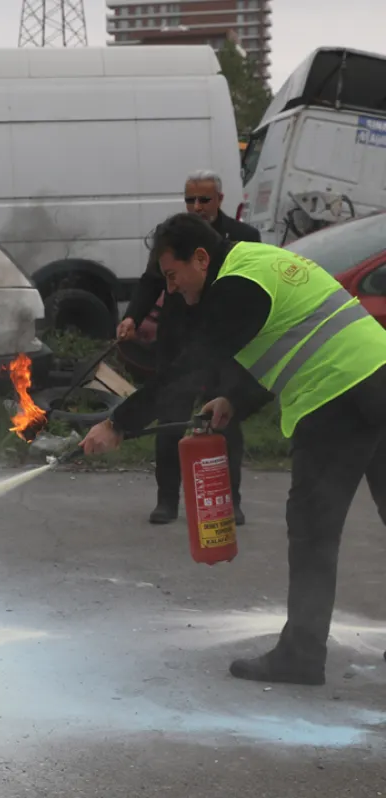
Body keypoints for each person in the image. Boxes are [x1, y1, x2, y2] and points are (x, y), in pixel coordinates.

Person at [82, 212, 386, 686]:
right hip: (378, 373)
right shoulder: (256, 264)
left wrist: (118, 424)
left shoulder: (235, 286)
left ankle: (301, 656)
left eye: (172, 275)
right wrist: (235, 400)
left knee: (312, 529)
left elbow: (187, 369)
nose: (172, 289)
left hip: (337, 396)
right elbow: (292, 337)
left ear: (200, 259)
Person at [117, 170, 261, 527]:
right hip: (178, 340)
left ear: (220, 201)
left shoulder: (244, 238)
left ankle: (231, 501)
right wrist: (132, 317)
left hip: (223, 345)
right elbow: (151, 283)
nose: (196, 207)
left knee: (223, 419)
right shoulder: (173, 240)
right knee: (170, 418)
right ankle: (167, 500)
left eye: (204, 200)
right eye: (190, 200)